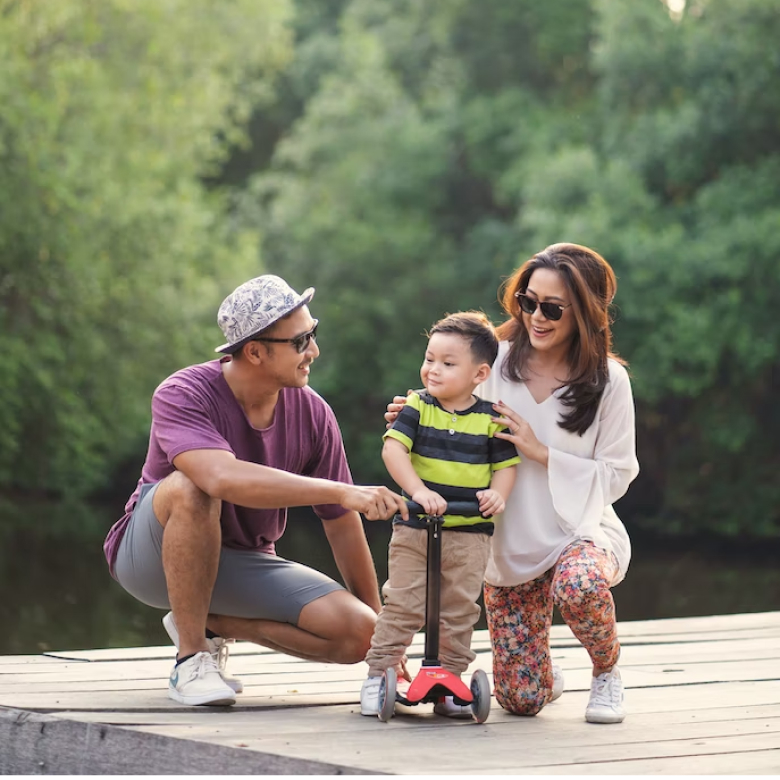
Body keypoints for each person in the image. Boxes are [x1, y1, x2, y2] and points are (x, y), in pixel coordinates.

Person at [103, 274, 408, 707]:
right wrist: (341, 491)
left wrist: (385, 644)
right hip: (150, 560)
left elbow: (342, 524)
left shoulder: (314, 413)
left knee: (362, 634)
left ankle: (213, 623)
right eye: (300, 341)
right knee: (193, 486)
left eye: (313, 334)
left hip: (244, 561)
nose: (314, 351)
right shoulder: (183, 393)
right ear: (255, 351)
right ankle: (191, 660)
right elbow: (220, 478)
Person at [385, 243, 639, 724]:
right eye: (528, 301)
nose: (536, 317)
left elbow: (618, 475)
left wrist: (540, 452)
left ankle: (606, 671)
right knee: (521, 701)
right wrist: (413, 417)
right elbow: (443, 405)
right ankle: (540, 673)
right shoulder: (492, 362)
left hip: (579, 531)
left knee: (580, 586)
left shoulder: (609, 381)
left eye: (552, 308)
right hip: (506, 546)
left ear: (585, 312)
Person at [361, 311, 520, 718]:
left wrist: (497, 495)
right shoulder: (417, 406)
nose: (433, 369)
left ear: (479, 374)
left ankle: (449, 679)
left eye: (448, 363)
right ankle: (380, 674)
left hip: (469, 532)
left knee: (459, 609)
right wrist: (418, 491)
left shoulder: (490, 419)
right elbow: (393, 449)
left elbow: (505, 466)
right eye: (430, 358)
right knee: (404, 602)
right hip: (415, 527)